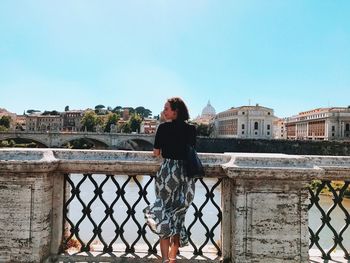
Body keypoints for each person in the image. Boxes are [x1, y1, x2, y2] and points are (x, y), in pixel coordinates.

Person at [143, 97, 196, 263]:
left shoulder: (163, 128)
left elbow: (156, 153)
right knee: (178, 217)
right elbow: (192, 151)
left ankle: (166, 259)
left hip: (167, 174)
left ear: (176, 111)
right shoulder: (191, 129)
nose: (163, 111)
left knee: (164, 214)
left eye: (166, 109)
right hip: (186, 175)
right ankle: (173, 258)